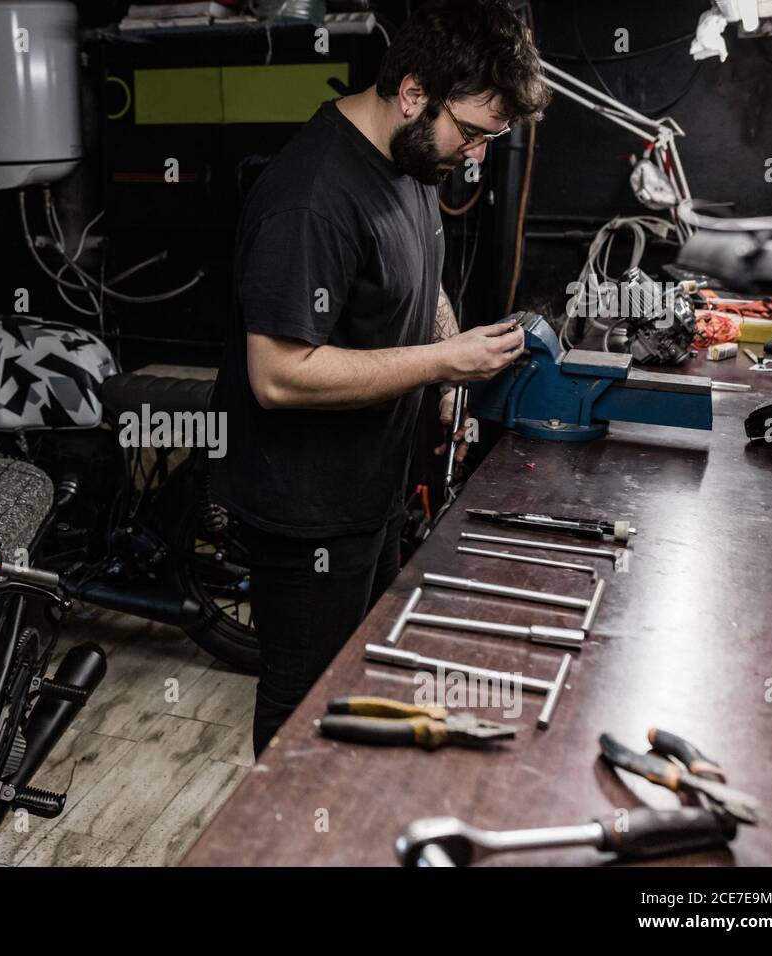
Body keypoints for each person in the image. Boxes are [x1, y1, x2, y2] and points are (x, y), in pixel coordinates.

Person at [209, 0, 552, 757]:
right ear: (411, 92)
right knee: (305, 710)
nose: (474, 157)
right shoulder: (312, 198)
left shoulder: (410, 158)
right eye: (471, 133)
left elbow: (420, 280)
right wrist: (441, 363)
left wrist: (448, 362)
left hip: (375, 492)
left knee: (363, 680)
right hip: (309, 515)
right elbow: (278, 374)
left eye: (491, 140)